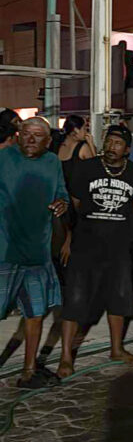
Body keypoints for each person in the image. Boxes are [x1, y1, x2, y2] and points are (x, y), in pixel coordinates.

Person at [57, 125, 133, 378]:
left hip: (118, 246)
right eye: (108, 142)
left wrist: (116, 218)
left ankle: (116, 349)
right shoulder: (86, 169)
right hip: (86, 245)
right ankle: (65, 357)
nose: (111, 147)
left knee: (119, 297)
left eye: (117, 143)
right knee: (74, 300)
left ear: (127, 150)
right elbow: (76, 203)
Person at [0, 117, 68, 388]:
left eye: (37, 135)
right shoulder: (4, 158)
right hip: (4, 250)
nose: (30, 139)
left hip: (38, 253)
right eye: (26, 133)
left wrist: (62, 203)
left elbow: (61, 193)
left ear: (48, 141)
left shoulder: (53, 162)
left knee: (35, 313)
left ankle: (29, 370)